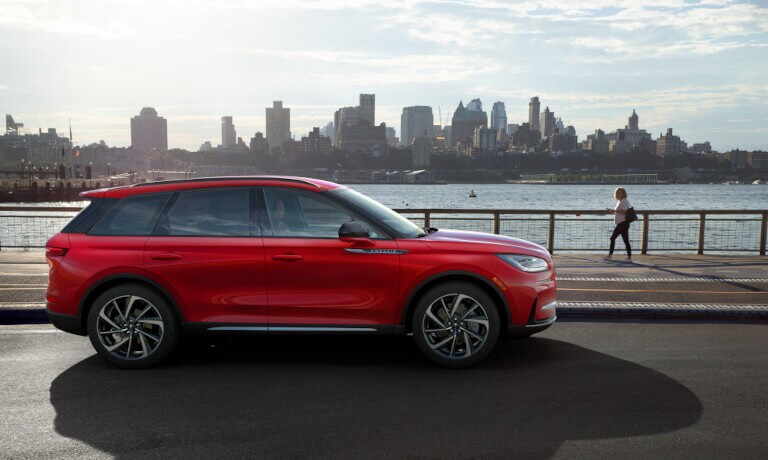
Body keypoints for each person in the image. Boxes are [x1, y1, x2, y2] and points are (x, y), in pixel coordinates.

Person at [606, 187, 632, 261]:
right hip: (620, 223)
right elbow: (619, 211)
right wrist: (613, 211)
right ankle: (629, 257)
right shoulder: (619, 201)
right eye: (618, 192)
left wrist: (614, 211)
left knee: (614, 238)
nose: (619, 194)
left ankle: (610, 255)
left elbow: (624, 211)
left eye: (621, 192)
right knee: (624, 240)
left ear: (624, 193)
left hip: (623, 223)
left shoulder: (624, 201)